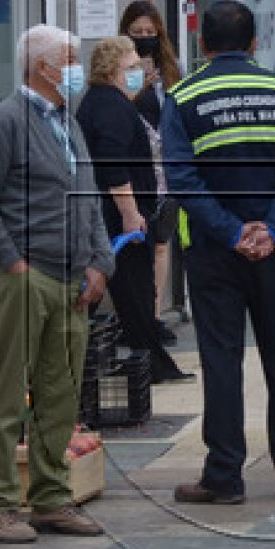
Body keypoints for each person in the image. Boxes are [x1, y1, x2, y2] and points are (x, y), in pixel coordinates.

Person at [161, 0, 275, 503]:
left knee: (221, 360)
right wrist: (272, 231)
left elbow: (181, 179)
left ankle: (225, 476)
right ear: (255, 44)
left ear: (203, 46)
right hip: (274, 251)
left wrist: (233, 232)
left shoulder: (183, 96)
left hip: (214, 251)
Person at [0, 25, 113, 542]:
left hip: (73, 281)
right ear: (41, 67)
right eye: (68, 60)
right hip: (24, 275)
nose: (75, 69)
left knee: (60, 395)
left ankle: (52, 498)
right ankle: (1, 505)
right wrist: (14, 263)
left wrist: (99, 262)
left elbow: (87, 196)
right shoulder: (4, 120)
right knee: (8, 396)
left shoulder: (67, 122)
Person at [76, 37, 192, 385]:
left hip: (111, 217)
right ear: (111, 72)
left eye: (140, 67)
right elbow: (113, 165)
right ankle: (152, 363)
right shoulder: (111, 107)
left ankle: (153, 361)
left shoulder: (104, 103)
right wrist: (130, 213)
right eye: (130, 68)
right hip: (119, 220)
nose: (139, 73)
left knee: (124, 294)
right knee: (133, 292)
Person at [119, 0, 183, 345]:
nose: (145, 39)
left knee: (161, 241)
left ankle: (155, 315)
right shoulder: (121, 67)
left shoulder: (171, 69)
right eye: (137, 33)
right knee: (136, 243)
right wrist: (140, 83)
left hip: (164, 163)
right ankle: (136, 317)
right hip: (135, 162)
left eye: (150, 33)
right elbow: (118, 106)